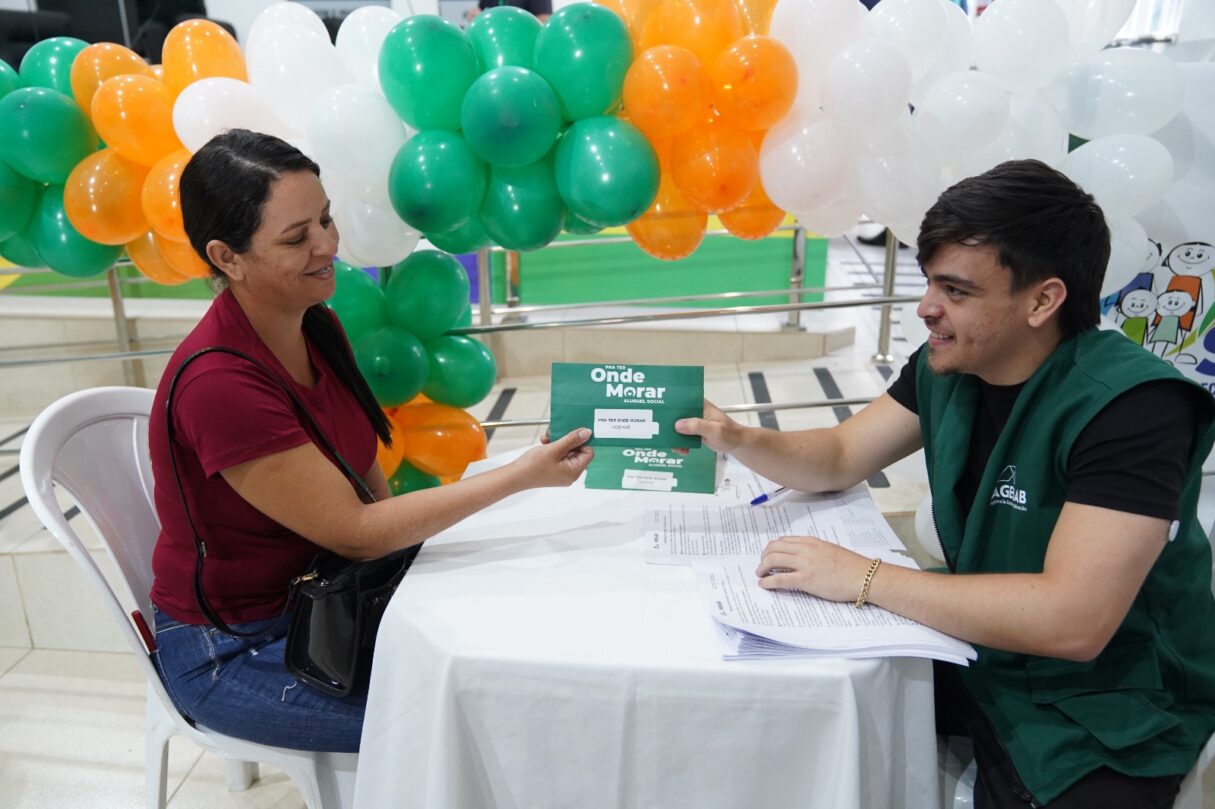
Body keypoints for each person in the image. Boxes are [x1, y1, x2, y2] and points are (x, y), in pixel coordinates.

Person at [675, 160, 1215, 808]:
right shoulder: (952, 362)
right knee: (777, 711)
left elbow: (1074, 620)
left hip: (1114, 702)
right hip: (983, 653)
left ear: (1042, 300)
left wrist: (866, 578)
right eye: (929, 279)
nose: (926, 307)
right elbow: (844, 452)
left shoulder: (1131, 406)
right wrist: (738, 437)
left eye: (956, 291)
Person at [147, 129, 593, 753]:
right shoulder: (219, 383)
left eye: (325, 219)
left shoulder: (315, 322)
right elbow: (356, 530)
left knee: (525, 652)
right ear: (226, 257)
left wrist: (416, 570)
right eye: (297, 238)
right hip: (238, 647)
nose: (328, 245)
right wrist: (520, 474)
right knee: (488, 722)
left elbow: (367, 494)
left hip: (337, 596)